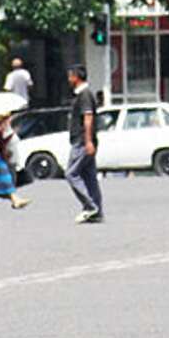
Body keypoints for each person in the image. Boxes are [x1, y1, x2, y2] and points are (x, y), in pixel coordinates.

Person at [65, 65, 103, 223]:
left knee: (71, 173)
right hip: (84, 140)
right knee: (89, 176)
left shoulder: (85, 95)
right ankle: (97, 211)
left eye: (70, 76)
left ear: (76, 77)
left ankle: (89, 206)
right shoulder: (81, 94)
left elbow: (88, 119)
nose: (68, 79)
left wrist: (88, 141)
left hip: (82, 141)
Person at [0, 106, 32, 211]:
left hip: (2, 157)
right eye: (5, 117)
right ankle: (14, 200)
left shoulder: (0, 128)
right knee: (5, 181)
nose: (8, 119)